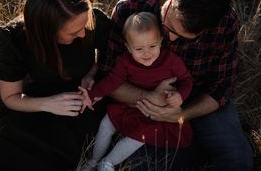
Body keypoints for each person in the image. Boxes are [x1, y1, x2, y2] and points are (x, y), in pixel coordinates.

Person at [98, 0, 253, 170]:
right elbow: (107, 76)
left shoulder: (224, 20)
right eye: (168, 26)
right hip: (144, 106)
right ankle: (193, 147)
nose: (169, 38)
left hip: (199, 100)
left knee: (238, 159)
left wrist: (181, 115)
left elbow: (222, 86)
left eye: (185, 38)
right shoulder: (131, 7)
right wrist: (151, 98)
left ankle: (194, 141)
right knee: (144, 166)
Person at [0, 0, 111, 170]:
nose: (83, 34)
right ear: (46, 33)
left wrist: (91, 74)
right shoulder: (15, 39)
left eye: (84, 25)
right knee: (11, 142)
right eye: (73, 33)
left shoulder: (93, 20)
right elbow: (10, 96)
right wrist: (48, 104)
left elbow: (109, 57)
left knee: (61, 145)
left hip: (82, 101)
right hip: (39, 102)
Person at [78, 12, 193, 171]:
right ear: (128, 47)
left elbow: (186, 80)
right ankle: (93, 161)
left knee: (139, 136)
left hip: (153, 113)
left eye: (152, 46)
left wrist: (180, 96)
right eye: (139, 48)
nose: (147, 53)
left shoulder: (171, 61)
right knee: (106, 124)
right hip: (130, 105)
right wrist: (92, 95)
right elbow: (112, 80)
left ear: (160, 41)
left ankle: (108, 163)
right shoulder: (125, 62)